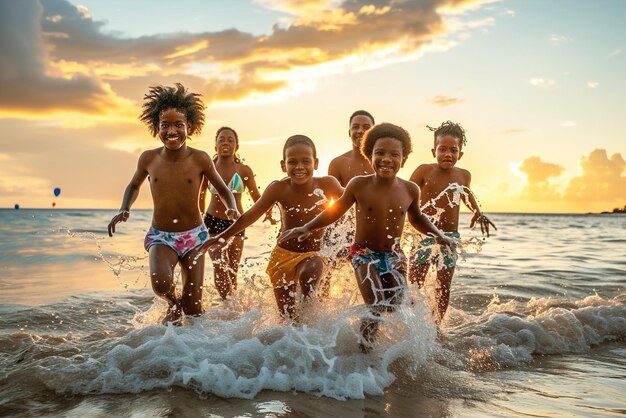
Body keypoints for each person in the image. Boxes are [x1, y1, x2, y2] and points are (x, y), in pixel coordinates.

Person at [279, 123, 454, 350]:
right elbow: (335, 210)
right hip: (363, 253)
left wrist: (439, 235)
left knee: (394, 305)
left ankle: (390, 349)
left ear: (404, 158)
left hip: (394, 255)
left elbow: (417, 218)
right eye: (379, 153)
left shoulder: (410, 189)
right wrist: (307, 228)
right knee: (374, 305)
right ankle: (365, 353)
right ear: (369, 154)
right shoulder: (359, 185)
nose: (386, 159)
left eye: (394, 154)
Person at [107, 83, 240, 325]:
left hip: (195, 238)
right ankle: (172, 303)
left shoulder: (199, 159)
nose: (172, 130)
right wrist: (124, 208)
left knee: (194, 309)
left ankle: (193, 354)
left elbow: (222, 188)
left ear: (189, 126)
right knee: (160, 284)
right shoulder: (149, 158)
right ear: (155, 127)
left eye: (178, 124)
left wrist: (232, 207)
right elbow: (134, 185)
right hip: (161, 236)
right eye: (165, 125)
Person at [199, 135, 343, 320]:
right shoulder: (278, 188)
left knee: (311, 271)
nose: (299, 167)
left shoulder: (328, 184)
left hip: (312, 253)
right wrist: (224, 236)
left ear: (315, 163)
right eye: (292, 162)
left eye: (305, 161)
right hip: (281, 257)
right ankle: (293, 340)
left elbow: (352, 201)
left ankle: (313, 328)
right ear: (283, 165)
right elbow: (250, 215)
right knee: (287, 318)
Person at [408, 121, 496, 325]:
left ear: (460, 154)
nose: (448, 154)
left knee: (443, 285)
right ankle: (412, 323)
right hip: (424, 236)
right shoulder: (423, 170)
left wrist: (477, 212)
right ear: (433, 151)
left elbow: (466, 195)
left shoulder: (463, 175)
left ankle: (436, 325)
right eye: (442, 149)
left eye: (453, 150)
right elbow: (407, 193)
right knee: (415, 284)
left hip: (450, 239)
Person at [199, 126, 276, 300]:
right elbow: (201, 197)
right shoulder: (208, 169)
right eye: (221, 140)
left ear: (237, 145)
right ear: (216, 145)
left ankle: (232, 309)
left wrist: (269, 213)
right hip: (212, 222)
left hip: (237, 223)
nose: (225, 143)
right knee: (219, 264)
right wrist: (198, 219)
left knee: (233, 268)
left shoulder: (244, 170)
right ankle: (227, 303)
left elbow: (257, 195)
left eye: (230, 140)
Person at [327, 110, 375, 186]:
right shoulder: (337, 164)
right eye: (355, 127)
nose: (360, 131)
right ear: (350, 132)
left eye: (366, 127)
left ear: (374, 133)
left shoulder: (381, 163)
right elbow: (331, 195)